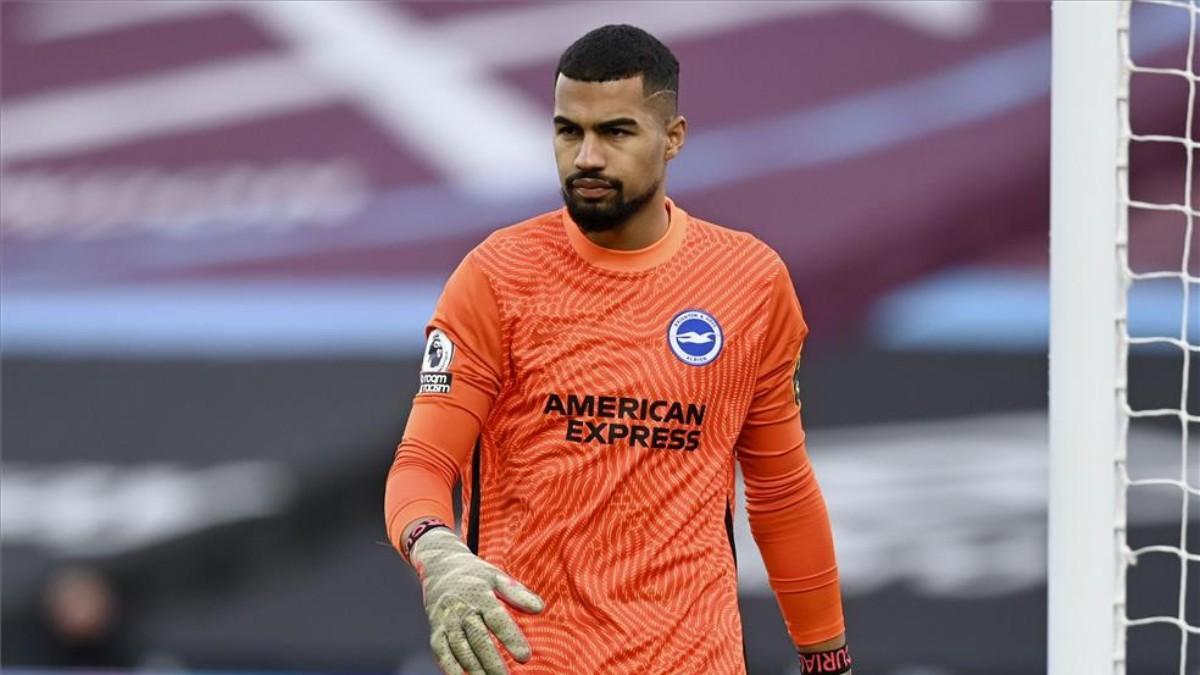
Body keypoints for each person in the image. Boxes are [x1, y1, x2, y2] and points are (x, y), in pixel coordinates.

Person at [384, 24, 851, 675]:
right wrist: (436, 550)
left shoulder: (751, 281)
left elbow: (780, 489)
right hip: (533, 661)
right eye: (568, 131)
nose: (586, 157)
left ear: (674, 138)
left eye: (616, 132)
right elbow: (422, 464)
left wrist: (827, 658)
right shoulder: (495, 276)